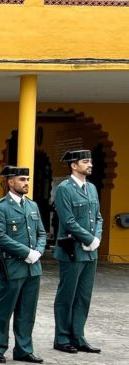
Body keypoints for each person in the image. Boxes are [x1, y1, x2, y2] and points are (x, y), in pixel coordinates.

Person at [0, 166, 46, 364]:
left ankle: (23, 349)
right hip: (12, 265)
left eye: (27, 179)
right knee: (4, 309)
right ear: (10, 182)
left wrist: (38, 251)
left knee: (27, 310)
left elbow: (41, 233)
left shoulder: (32, 206)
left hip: (33, 266)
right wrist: (26, 252)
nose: (26, 183)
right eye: (22, 179)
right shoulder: (0, 207)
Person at [53, 149, 103, 354]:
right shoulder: (65, 188)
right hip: (72, 249)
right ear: (74, 165)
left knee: (83, 296)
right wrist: (88, 239)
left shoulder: (91, 188)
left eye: (90, 161)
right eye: (85, 161)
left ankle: (78, 336)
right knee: (67, 295)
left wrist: (96, 239)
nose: (90, 165)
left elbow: (98, 217)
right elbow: (68, 220)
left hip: (91, 251)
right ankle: (62, 338)